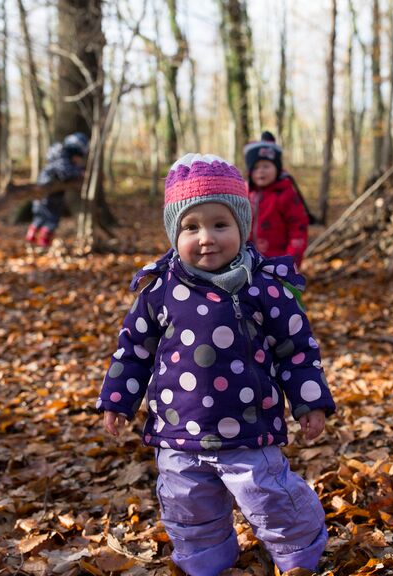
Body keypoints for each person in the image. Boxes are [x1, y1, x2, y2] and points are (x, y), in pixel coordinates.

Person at [96, 153, 336, 576]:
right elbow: (133, 350)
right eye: (191, 227)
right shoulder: (159, 291)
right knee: (189, 509)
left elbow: (296, 351)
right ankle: (207, 562)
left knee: (270, 499)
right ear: (174, 232)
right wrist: (117, 399)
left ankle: (299, 554)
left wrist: (308, 402)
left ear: (242, 227)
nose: (206, 237)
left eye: (219, 224)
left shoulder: (265, 287)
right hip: (177, 432)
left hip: (249, 429)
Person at [244, 131, 311, 267]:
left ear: (278, 168)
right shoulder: (245, 193)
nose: (261, 171)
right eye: (255, 168)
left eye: (266, 166)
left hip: (278, 264)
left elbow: (298, 228)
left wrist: (290, 262)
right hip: (248, 262)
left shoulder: (285, 194)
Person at [25, 132, 89, 248]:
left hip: (45, 193)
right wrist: (79, 172)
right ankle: (42, 244)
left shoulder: (57, 156)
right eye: (77, 157)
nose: (78, 160)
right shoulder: (62, 159)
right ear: (73, 152)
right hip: (49, 194)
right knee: (51, 219)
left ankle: (32, 240)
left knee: (40, 217)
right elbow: (66, 173)